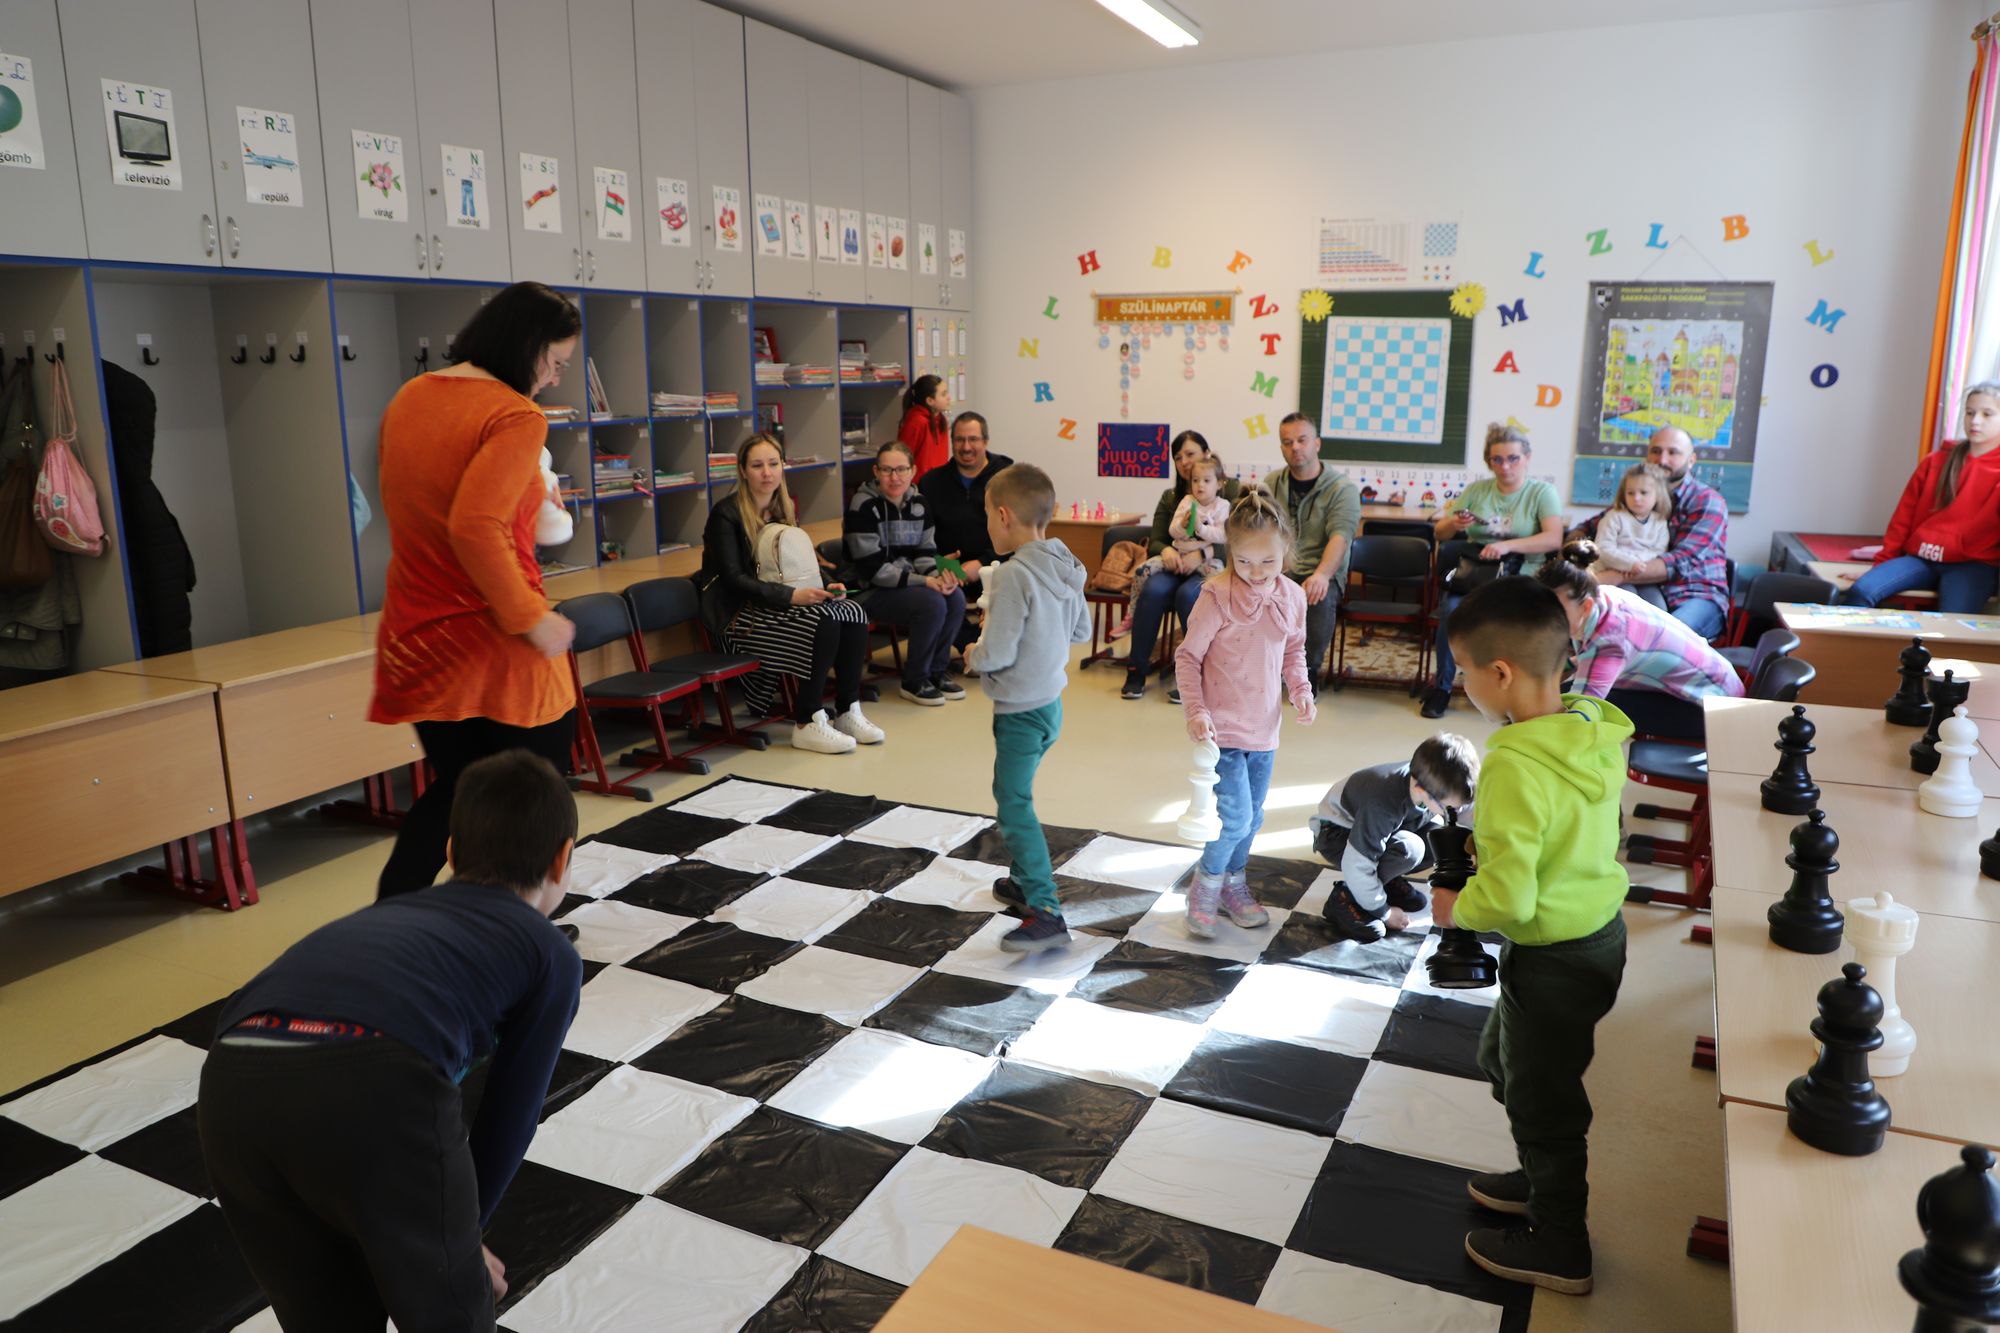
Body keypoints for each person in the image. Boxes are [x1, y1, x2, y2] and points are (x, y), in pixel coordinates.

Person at [198, 750, 583, 1330]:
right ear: (563, 858)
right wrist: (461, 1236)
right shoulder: (548, 951)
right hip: (375, 1080)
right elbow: (511, 1114)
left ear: (450, 853)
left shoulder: (397, 914)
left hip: (232, 1079)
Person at [1428, 576, 1631, 1296]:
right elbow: (1564, 835)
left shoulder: (1513, 763)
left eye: (1463, 669)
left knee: (1546, 1103)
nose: (1461, 682)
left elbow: (1509, 896)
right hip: (1597, 936)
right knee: (1506, 1063)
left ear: (1501, 673)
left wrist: (1457, 909)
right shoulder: (1588, 722)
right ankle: (1540, 1176)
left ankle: (1561, 1241)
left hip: (1550, 955)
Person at [370, 281, 582, 900]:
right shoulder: (515, 415)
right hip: (492, 638)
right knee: (535, 799)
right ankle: (518, 927)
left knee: (461, 792)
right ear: (528, 346)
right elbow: (474, 526)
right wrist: (530, 617)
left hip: (417, 636)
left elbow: (428, 511)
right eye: (556, 363)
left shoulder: (412, 395)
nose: (556, 378)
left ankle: (397, 912)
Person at [1175, 492, 1317, 937]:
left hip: (1265, 729)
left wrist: (1301, 689)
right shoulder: (1217, 595)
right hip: (1222, 730)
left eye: (1268, 562)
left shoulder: (1292, 596)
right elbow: (1188, 657)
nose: (1256, 573)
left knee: (1253, 817)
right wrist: (1196, 711)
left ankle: (1233, 883)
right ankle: (1205, 885)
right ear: (1229, 553)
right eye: (1244, 562)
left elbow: (1293, 651)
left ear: (1285, 550)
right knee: (1233, 817)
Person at [968, 463, 1093, 953]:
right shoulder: (1066, 563)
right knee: (1018, 793)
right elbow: (1081, 631)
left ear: (1003, 515)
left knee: (1013, 803)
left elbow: (996, 654)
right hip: (1050, 706)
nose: (987, 525)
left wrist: (973, 652)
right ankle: (1021, 882)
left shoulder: (1013, 574)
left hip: (1019, 711)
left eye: (987, 516)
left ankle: (1045, 910)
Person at [700, 433, 884, 754]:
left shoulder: (781, 508)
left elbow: (801, 562)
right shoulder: (726, 515)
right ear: (743, 470)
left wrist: (827, 584)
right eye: (757, 465)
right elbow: (733, 580)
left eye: (773, 464)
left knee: (852, 612)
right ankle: (807, 720)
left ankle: (847, 709)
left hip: (774, 605)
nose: (767, 473)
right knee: (823, 621)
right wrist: (791, 597)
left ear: (782, 467)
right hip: (739, 616)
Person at [1421, 423, 1564, 719]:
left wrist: (1507, 545)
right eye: (1497, 459)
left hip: (1522, 573)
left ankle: (1514, 693)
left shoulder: (1541, 492)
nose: (1505, 466)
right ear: (1489, 461)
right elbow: (1440, 532)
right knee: (1451, 610)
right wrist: (1454, 524)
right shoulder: (1477, 491)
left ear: (1526, 458)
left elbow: (1553, 538)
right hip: (1479, 574)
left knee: (1510, 621)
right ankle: (1443, 687)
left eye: (1513, 458)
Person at [1536, 540, 1744, 741]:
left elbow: (1580, 713)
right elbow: (1582, 658)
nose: (1546, 620)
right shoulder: (1601, 595)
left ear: (1586, 606)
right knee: (1558, 694)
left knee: (1576, 705)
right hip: (1714, 687)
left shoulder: (1610, 641)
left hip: (1714, 709)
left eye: (1556, 612)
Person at [1837, 382, 2000, 613]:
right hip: (1922, 559)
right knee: (1862, 591)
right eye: (1970, 412)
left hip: (1972, 566)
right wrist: (1881, 566)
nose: (1975, 421)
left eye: (1987, 414)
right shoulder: (1935, 461)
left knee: (1952, 622)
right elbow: (1902, 520)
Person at [1311, 733, 1479, 943]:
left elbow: (1473, 816)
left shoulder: (1433, 783)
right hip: (1337, 835)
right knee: (1411, 849)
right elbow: (1357, 864)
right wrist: (1384, 911)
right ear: (1421, 791)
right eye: (1450, 807)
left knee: (1440, 842)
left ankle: (1385, 881)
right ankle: (1346, 896)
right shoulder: (1383, 803)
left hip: (1382, 830)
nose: (1457, 811)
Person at [1121, 429, 1244, 701]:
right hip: (1174, 564)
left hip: (1209, 565)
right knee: (1152, 590)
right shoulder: (1172, 497)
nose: (1184, 462)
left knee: (1189, 595)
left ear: (1207, 454)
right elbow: (1156, 539)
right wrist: (1165, 550)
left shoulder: (1230, 494)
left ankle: (1193, 675)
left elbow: (1237, 538)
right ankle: (1136, 670)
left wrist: (1202, 554)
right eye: (1178, 457)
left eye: (1190, 454)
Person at [1573, 426, 1729, 639]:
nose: (1662, 459)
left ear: (1691, 460)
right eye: (1656, 451)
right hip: (1640, 591)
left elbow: (1680, 562)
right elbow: (1585, 529)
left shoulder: (1708, 501)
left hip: (1693, 595)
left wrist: (1614, 575)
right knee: (1592, 630)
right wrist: (1575, 558)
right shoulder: (1638, 497)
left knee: (1662, 639)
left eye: (1673, 452)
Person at [843, 440, 967, 705]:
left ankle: (936, 671)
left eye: (901, 469)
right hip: (867, 590)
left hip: (904, 585)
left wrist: (939, 577)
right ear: (876, 472)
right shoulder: (862, 505)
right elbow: (873, 569)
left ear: (913, 471)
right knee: (931, 603)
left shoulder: (920, 504)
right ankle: (914, 680)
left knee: (954, 597)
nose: (894, 477)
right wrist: (926, 581)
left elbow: (925, 552)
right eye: (887, 470)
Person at [1264, 413, 1361, 692]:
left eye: (1302, 440)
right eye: (1287, 442)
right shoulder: (1271, 483)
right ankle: (1263, 666)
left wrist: (1322, 575)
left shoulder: (1342, 489)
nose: (1295, 447)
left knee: (1318, 597)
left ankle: (1307, 672)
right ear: (1282, 448)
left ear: (1316, 444)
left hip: (1320, 569)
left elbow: (1340, 537)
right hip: (1280, 567)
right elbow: (1260, 530)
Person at [917, 410, 1012, 584]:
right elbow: (921, 539)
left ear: (985, 441)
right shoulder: (930, 483)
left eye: (973, 439)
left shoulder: (1009, 479)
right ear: (952, 442)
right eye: (959, 440)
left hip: (999, 575)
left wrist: (983, 563)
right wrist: (937, 564)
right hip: (945, 577)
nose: (966, 447)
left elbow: (1019, 535)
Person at [1591, 463, 1674, 609]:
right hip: (1613, 573)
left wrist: (1638, 564)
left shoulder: (1660, 522)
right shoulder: (1614, 517)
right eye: (1630, 493)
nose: (1636, 498)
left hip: (1644, 576)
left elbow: (1659, 551)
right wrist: (1629, 564)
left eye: (1643, 492)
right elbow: (1603, 549)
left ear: (1658, 495)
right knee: (1628, 606)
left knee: (1659, 608)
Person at [897, 374, 951, 479]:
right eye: (943, 394)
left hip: (938, 482)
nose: (949, 398)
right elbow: (902, 459)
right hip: (919, 485)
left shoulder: (941, 420)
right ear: (930, 401)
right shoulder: (917, 422)